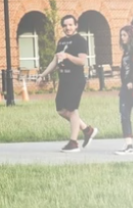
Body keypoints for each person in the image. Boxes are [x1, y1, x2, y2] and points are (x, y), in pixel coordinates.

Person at [40, 13, 97, 150]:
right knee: (61, 110)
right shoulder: (61, 42)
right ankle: (87, 130)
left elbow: (82, 61)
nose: (68, 28)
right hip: (64, 80)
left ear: (76, 25)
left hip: (75, 80)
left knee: (72, 110)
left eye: (70, 25)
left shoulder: (80, 41)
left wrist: (67, 56)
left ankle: (73, 143)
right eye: (65, 25)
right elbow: (55, 61)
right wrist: (43, 75)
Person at [119, 22, 133, 154]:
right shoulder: (125, 51)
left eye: (124, 35)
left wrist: (132, 81)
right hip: (125, 88)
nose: (122, 37)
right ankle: (128, 145)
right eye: (121, 35)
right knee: (124, 115)